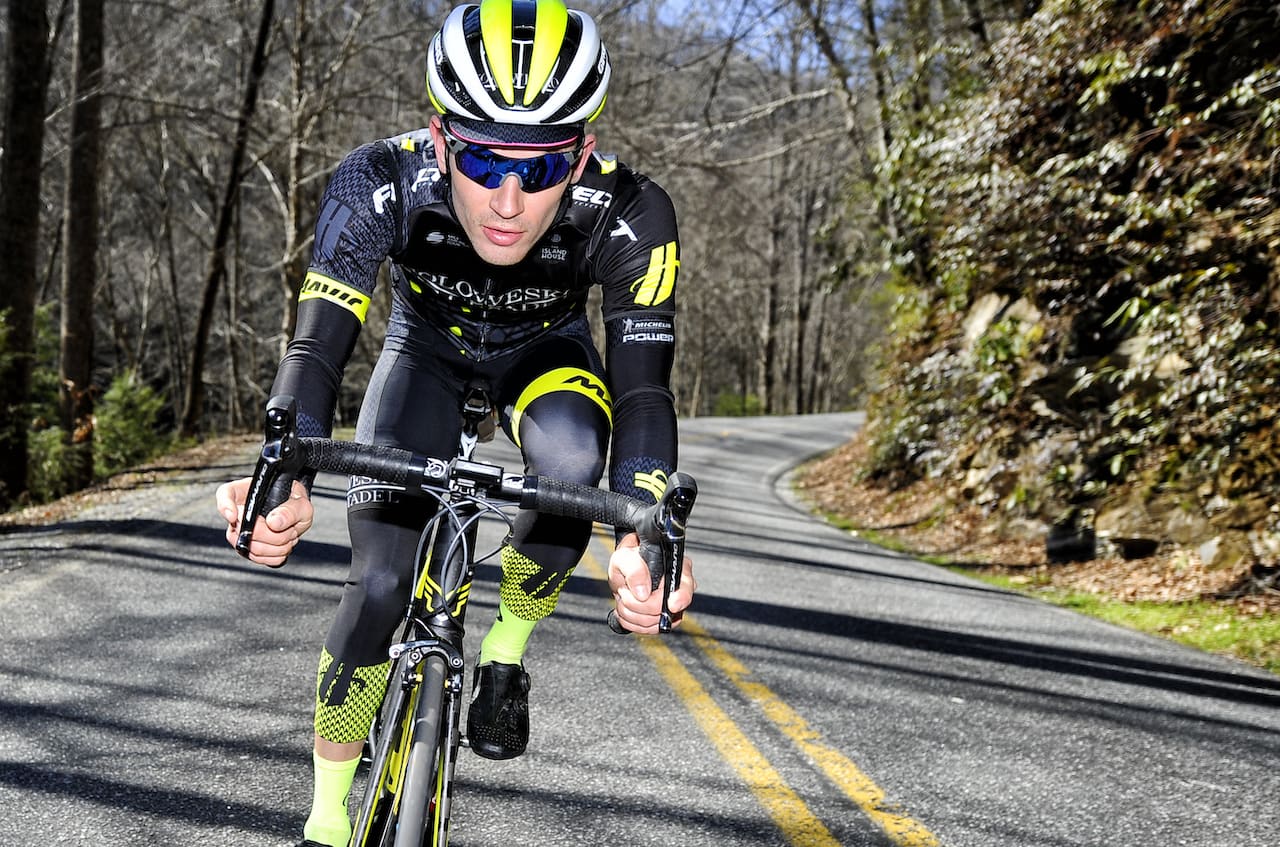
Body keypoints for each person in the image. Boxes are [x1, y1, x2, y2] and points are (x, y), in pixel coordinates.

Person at [214, 1, 696, 845]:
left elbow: (645, 393)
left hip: (546, 356)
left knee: (575, 467)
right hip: (424, 354)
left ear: (581, 155)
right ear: (440, 140)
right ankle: (326, 818)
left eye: (542, 168)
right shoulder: (379, 180)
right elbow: (317, 349)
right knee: (376, 585)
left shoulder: (631, 214)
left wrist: (645, 537)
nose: (509, 201)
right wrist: (281, 477)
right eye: (481, 158)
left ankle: (505, 646)